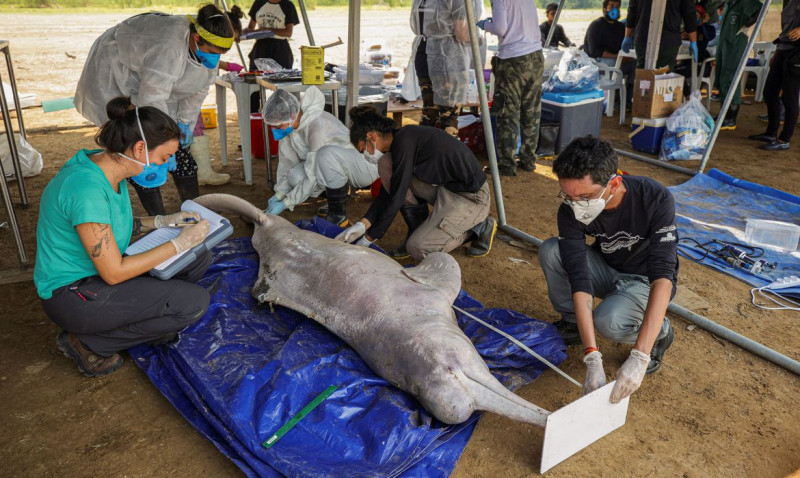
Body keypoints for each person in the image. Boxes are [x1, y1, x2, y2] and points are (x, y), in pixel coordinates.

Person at [34, 97, 213, 378]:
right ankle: (88, 342)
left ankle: (149, 316)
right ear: (140, 148)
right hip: (73, 294)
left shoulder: (107, 167)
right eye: (164, 157)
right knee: (193, 303)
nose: (168, 164)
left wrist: (163, 221)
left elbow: (111, 226)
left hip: (97, 275)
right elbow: (114, 273)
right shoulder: (86, 190)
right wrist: (179, 242)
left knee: (198, 256)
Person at [538, 136, 678, 403]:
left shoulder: (654, 197)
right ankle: (574, 324)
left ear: (613, 184)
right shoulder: (570, 209)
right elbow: (579, 275)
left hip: (644, 280)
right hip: (607, 267)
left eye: (584, 197)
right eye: (568, 195)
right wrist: (592, 355)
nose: (574, 203)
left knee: (608, 321)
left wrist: (640, 356)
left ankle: (661, 332)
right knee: (552, 251)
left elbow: (663, 277)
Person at [75, 5, 236, 216]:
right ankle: (158, 218)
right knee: (140, 153)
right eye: (212, 53)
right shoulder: (169, 46)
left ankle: (196, 211)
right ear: (196, 38)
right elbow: (152, 98)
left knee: (181, 154)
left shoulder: (207, 46)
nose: (215, 60)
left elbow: (198, 90)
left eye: (220, 55)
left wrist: (184, 124)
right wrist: (164, 138)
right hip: (118, 73)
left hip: (153, 87)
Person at [335, 105, 497, 260]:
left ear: (372, 137)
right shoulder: (401, 141)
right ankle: (418, 228)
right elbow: (390, 190)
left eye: (363, 150)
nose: (365, 155)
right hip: (446, 189)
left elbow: (397, 196)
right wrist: (364, 224)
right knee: (386, 164)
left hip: (471, 197)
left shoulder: (405, 142)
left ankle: (479, 228)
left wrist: (370, 237)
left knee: (418, 248)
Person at [262, 88, 379, 226]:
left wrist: (286, 203)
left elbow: (312, 174)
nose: (275, 130)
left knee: (324, 161)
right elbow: (286, 163)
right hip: (337, 165)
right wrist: (279, 194)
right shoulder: (290, 127)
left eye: (278, 126)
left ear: (292, 115)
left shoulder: (317, 127)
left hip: (363, 166)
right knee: (295, 176)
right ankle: (333, 201)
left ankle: (338, 215)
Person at [477, 0, 544, 176]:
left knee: (508, 113)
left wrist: (485, 25)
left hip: (513, 60)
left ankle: (507, 164)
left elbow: (500, 29)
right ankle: (528, 160)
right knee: (531, 111)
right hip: (535, 57)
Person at [191, 5, 246, 187]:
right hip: (185, 95)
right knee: (193, 126)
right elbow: (205, 55)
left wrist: (226, 65)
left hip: (191, 93)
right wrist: (227, 65)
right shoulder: (198, 39)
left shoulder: (206, 39)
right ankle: (202, 173)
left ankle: (201, 171)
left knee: (195, 126)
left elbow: (209, 54)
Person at [409, 0, 480, 137]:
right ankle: (446, 150)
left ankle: (424, 147)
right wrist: (477, 38)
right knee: (449, 114)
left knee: (429, 111)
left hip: (424, 53)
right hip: (446, 58)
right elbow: (462, 32)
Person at [748, 0, 800, 151]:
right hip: (783, 47)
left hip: (797, 53)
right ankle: (771, 132)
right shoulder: (789, 2)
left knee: (789, 96)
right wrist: (777, 51)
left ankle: (784, 139)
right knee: (770, 92)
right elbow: (786, 28)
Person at [714, 0, 762, 130]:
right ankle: (723, 114)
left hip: (735, 44)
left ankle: (730, 118)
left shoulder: (745, 2)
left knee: (731, 78)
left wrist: (748, 23)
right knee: (721, 78)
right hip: (724, 43)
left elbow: (761, 9)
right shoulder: (729, 3)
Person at [244, 0, 300, 112]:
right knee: (254, 86)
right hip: (260, 48)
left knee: (282, 88)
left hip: (280, 49)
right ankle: (253, 116)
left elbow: (288, 32)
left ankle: (282, 115)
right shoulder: (259, 3)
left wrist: (269, 30)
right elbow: (250, 28)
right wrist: (241, 33)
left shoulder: (287, 5)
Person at [583, 0, 635, 107]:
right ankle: (613, 101)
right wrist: (617, 57)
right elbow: (595, 51)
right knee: (617, 64)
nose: (615, 9)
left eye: (617, 6)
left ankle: (626, 102)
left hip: (616, 60)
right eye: (611, 6)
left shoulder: (621, 27)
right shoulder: (596, 25)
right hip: (598, 63)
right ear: (604, 9)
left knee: (634, 65)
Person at [622, 0, 698, 70]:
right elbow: (689, 16)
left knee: (643, 75)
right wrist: (693, 41)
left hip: (643, 37)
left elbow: (632, 12)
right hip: (668, 41)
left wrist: (627, 36)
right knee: (663, 75)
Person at [675, 4, 716, 98]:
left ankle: (688, 96)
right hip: (686, 63)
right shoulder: (687, 30)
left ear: (703, 16)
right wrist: (679, 37)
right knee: (670, 71)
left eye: (696, 16)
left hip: (700, 66)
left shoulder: (708, 29)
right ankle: (686, 96)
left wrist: (704, 23)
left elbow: (709, 36)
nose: (693, 19)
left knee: (677, 74)